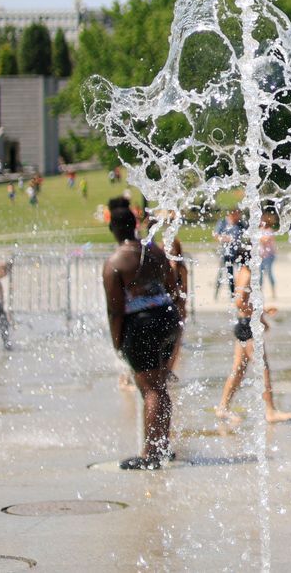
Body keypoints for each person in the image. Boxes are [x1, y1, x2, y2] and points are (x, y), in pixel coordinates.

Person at [102, 197, 185, 470]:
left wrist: (117, 342)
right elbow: (172, 287)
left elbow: (115, 310)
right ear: (135, 225)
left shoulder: (115, 263)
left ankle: (151, 453)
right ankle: (162, 446)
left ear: (113, 228)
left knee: (150, 389)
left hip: (142, 324)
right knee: (159, 387)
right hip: (167, 318)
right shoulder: (155, 252)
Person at [213, 243, 291, 425]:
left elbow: (245, 303)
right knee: (263, 368)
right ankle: (270, 411)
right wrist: (261, 312)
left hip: (245, 325)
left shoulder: (244, 272)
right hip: (247, 327)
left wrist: (262, 316)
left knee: (239, 370)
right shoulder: (247, 274)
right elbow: (240, 303)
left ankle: (223, 407)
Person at [213, 208, 247, 301]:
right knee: (228, 273)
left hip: (238, 253)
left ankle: (241, 293)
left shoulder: (240, 224)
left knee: (242, 272)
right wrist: (226, 238)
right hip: (226, 253)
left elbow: (247, 233)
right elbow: (216, 235)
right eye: (237, 216)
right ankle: (229, 294)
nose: (239, 218)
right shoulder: (223, 222)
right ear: (232, 214)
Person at [258, 215, 278, 301]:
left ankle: (273, 292)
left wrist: (258, 238)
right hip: (261, 256)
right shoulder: (259, 231)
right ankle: (259, 292)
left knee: (269, 273)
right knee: (260, 275)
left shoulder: (269, 231)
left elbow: (265, 240)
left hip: (269, 256)